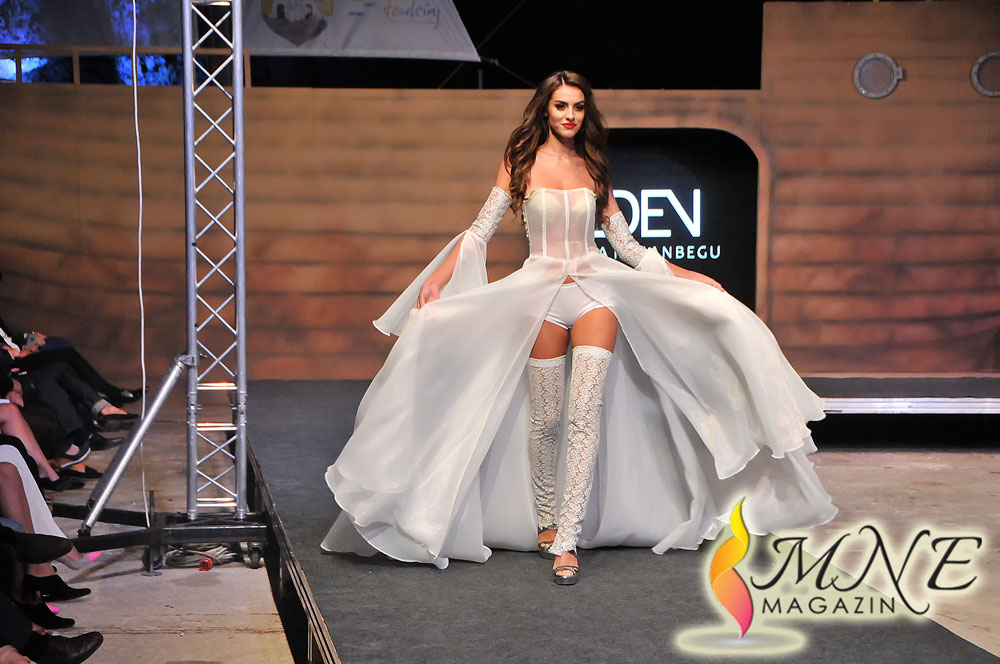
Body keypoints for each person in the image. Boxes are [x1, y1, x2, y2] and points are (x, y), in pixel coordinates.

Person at [322, 71, 836, 584]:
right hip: (539, 294)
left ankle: (567, 540)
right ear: (545, 109)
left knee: (584, 416)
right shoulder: (520, 161)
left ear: (586, 112)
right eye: (561, 106)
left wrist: (690, 277)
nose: (569, 115)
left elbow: (626, 246)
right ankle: (546, 519)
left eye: (578, 107)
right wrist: (437, 279)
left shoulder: (594, 166)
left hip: (596, 290)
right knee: (546, 420)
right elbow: (480, 230)